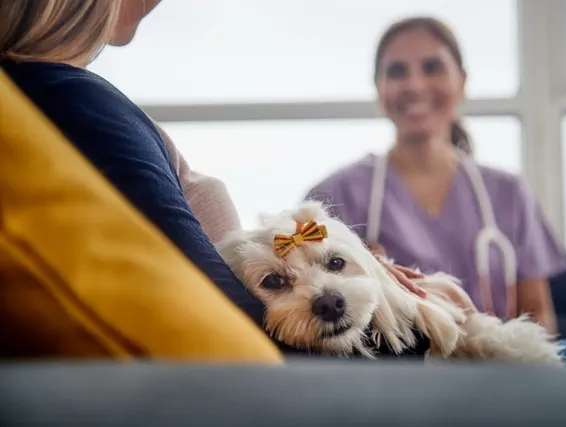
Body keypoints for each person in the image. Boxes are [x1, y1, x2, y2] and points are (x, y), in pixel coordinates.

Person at [0, 0, 462, 358]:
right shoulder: (77, 102)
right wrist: (415, 325)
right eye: (397, 71)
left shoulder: (60, 100)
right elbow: (242, 328)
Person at [305, 16, 566, 358]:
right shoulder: (333, 198)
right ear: (379, 90)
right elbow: (308, 311)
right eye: (397, 72)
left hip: (498, 370)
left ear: (462, 82)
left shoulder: (508, 194)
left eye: (432, 67)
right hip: (398, 374)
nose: (415, 84)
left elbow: (540, 317)